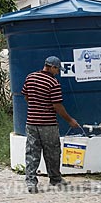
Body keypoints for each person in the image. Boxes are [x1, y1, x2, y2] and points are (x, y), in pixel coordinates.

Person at [21, 56, 79, 194]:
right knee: (52, 152)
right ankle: (55, 179)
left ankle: (31, 182)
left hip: (31, 123)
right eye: (57, 69)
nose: (58, 72)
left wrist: (36, 106)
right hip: (48, 124)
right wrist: (70, 120)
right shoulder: (53, 83)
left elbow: (26, 96)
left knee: (31, 152)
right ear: (52, 67)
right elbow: (57, 105)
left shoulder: (30, 77)